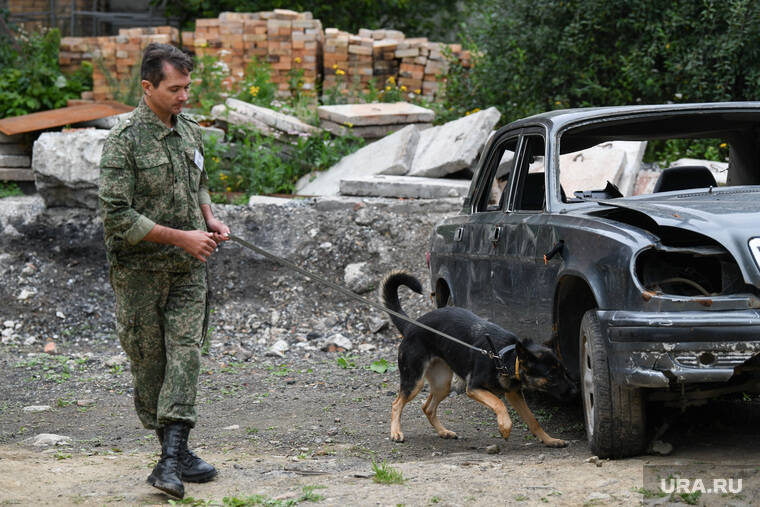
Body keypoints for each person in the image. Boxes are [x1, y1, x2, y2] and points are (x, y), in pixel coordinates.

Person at [98, 42, 229, 499]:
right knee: (150, 368)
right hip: (139, 274)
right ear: (148, 86)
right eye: (175, 88)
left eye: (188, 87)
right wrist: (181, 235)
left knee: (187, 353)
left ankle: (171, 460)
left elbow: (200, 181)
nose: (184, 96)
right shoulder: (123, 141)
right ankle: (176, 454)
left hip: (189, 269)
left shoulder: (189, 131)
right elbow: (115, 215)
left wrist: (208, 218)